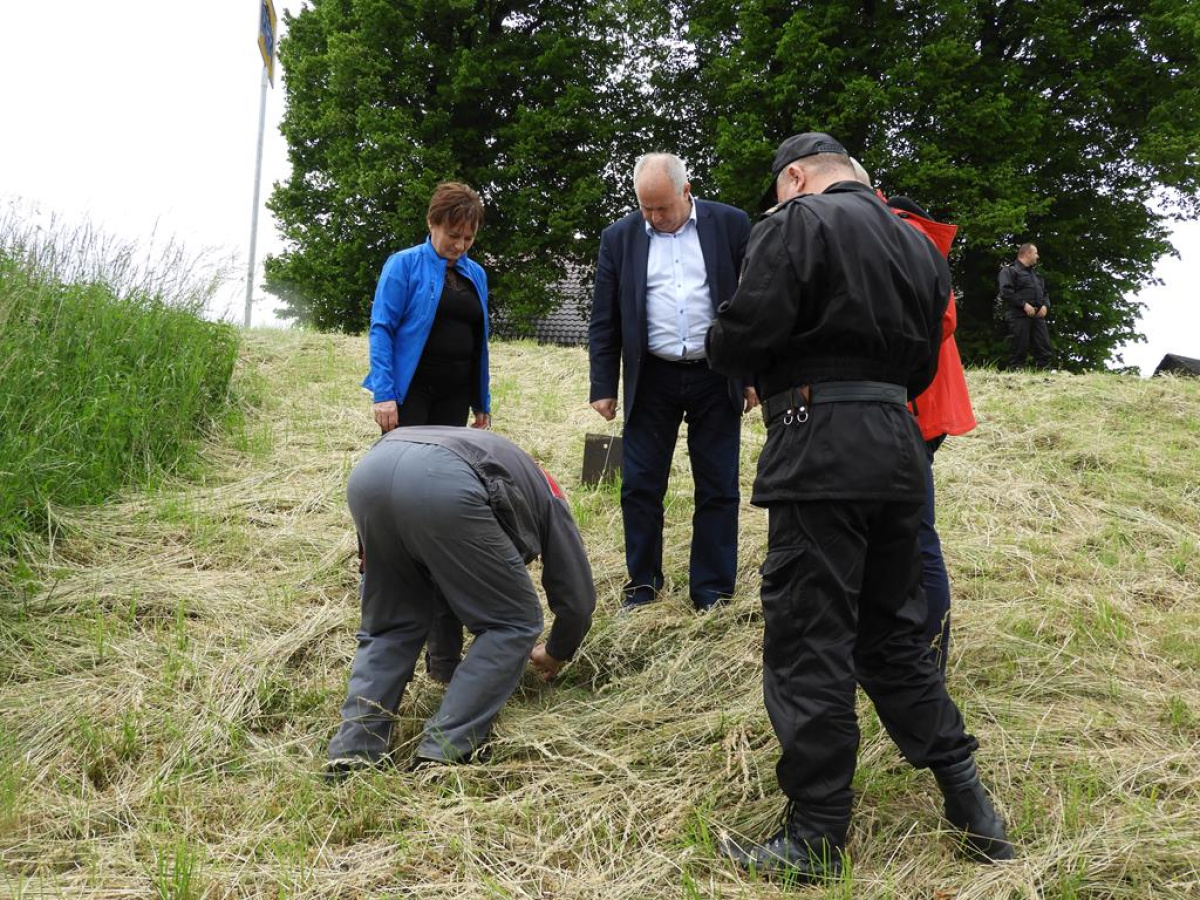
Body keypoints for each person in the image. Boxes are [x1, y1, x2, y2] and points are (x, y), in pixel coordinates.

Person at [706, 132, 1013, 880]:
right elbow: (923, 363)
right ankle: (972, 805)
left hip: (819, 446)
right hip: (899, 447)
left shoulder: (794, 222)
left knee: (811, 639)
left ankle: (816, 834)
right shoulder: (918, 246)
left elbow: (745, 332)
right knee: (894, 635)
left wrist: (729, 349)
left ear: (796, 177)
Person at [327, 427, 596, 775]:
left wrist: (446, 668)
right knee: (512, 621)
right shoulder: (549, 493)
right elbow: (576, 597)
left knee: (390, 625)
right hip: (445, 484)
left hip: (370, 474)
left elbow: (443, 580)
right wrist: (557, 651)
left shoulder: (499, 464)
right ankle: (445, 749)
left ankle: (353, 752)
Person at [588, 153, 755, 612]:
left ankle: (712, 591)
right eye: (645, 207)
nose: (654, 217)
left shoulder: (731, 225)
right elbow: (604, 316)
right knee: (639, 486)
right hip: (652, 377)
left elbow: (752, 305)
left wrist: (751, 374)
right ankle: (642, 586)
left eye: (662, 207)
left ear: (686, 191)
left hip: (716, 374)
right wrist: (603, 384)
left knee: (718, 486)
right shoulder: (619, 237)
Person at [361, 181, 491, 684]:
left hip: (453, 400)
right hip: (409, 395)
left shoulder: (476, 275)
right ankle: (379, 564)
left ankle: (443, 651)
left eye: (468, 238)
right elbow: (382, 327)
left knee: (438, 494)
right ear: (432, 224)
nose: (459, 245)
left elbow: (480, 341)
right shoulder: (403, 265)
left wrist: (482, 401)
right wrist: (384, 393)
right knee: (398, 490)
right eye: (452, 235)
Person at [886, 195, 978, 674]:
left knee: (916, 535)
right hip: (921, 407)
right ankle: (920, 653)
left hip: (911, 407)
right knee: (912, 532)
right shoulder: (917, 240)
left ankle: (927, 658)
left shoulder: (901, 237)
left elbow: (934, 325)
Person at [999, 243, 1051, 369]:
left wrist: (1045, 305)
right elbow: (1006, 291)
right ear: (1027, 254)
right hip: (1018, 314)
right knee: (1018, 345)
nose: (1038, 256)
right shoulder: (1010, 270)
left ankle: (1045, 369)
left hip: (1037, 315)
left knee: (1043, 343)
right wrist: (1023, 304)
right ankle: (1016, 370)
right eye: (1036, 253)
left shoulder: (1036, 275)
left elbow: (1045, 293)